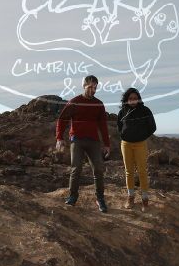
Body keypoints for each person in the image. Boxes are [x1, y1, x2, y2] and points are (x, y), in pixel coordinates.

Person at [55, 75, 111, 212]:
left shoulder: (99, 104)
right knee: (76, 169)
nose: (93, 90)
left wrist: (107, 144)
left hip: (93, 141)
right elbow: (62, 120)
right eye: (90, 87)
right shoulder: (74, 102)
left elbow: (103, 125)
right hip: (77, 140)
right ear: (84, 86)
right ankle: (73, 197)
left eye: (95, 88)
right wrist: (59, 138)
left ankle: (100, 199)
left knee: (98, 169)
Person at [116, 88, 156, 209]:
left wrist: (141, 137)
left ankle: (144, 198)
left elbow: (152, 127)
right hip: (126, 144)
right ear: (126, 100)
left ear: (138, 99)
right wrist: (123, 135)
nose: (133, 100)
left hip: (140, 144)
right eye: (130, 98)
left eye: (135, 98)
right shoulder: (122, 111)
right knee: (129, 172)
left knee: (142, 171)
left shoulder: (145, 110)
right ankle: (131, 197)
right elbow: (119, 126)